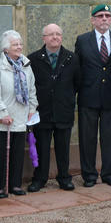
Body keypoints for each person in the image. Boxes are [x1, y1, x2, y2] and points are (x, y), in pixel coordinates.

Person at [74, 4, 111, 187]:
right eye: (100, 15)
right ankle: (89, 175)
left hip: (110, 96)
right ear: (93, 20)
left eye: (107, 15)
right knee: (87, 138)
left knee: (109, 137)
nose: (104, 18)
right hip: (88, 96)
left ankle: (108, 174)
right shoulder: (82, 40)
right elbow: (78, 69)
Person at [27, 23, 81, 192]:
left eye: (58, 34)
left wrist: (67, 98)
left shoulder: (72, 58)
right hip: (42, 112)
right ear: (44, 38)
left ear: (62, 37)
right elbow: (31, 85)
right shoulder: (33, 59)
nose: (55, 37)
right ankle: (40, 178)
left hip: (64, 110)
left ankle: (64, 178)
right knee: (42, 147)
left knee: (63, 147)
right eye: (51, 34)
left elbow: (77, 83)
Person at [0, 30, 38, 198]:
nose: (19, 47)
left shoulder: (26, 66)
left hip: (21, 118)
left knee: (17, 154)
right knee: (2, 154)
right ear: (6, 48)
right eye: (15, 44)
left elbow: (32, 91)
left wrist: (32, 110)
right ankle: (0, 187)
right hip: (3, 120)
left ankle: (15, 184)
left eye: (20, 44)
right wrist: (2, 113)